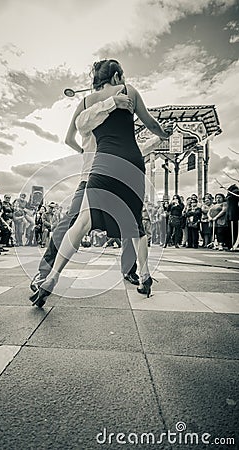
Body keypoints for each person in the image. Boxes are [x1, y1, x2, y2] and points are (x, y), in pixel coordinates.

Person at [31, 59, 172, 306]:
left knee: (79, 223)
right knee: (135, 224)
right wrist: (164, 134)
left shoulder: (85, 103)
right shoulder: (129, 93)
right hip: (127, 163)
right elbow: (150, 124)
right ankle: (144, 274)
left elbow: (73, 132)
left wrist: (84, 153)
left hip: (100, 167)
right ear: (117, 76)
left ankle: (51, 276)